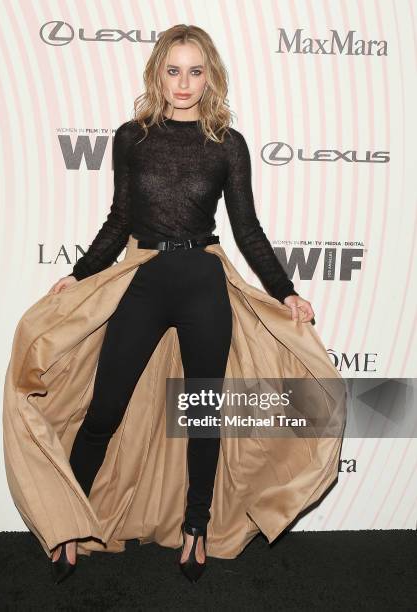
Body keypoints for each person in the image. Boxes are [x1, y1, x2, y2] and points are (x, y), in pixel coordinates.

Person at [47, 24, 314, 584]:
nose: (184, 82)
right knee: (103, 410)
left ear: (210, 74)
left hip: (202, 282)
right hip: (143, 281)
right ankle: (66, 519)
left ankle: (196, 526)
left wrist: (284, 289)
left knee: (202, 413)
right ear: (157, 74)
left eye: (195, 71)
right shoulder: (131, 136)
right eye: (173, 70)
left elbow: (247, 229)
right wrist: (78, 275)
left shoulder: (227, 144)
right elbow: (120, 219)